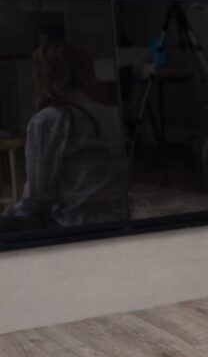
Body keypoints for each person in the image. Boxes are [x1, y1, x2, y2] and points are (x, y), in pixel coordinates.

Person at [1, 42, 127, 230]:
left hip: (71, 224)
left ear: (48, 75)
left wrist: (9, 216)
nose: (34, 75)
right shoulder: (110, 113)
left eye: (38, 69)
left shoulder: (48, 120)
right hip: (116, 219)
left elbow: (37, 197)